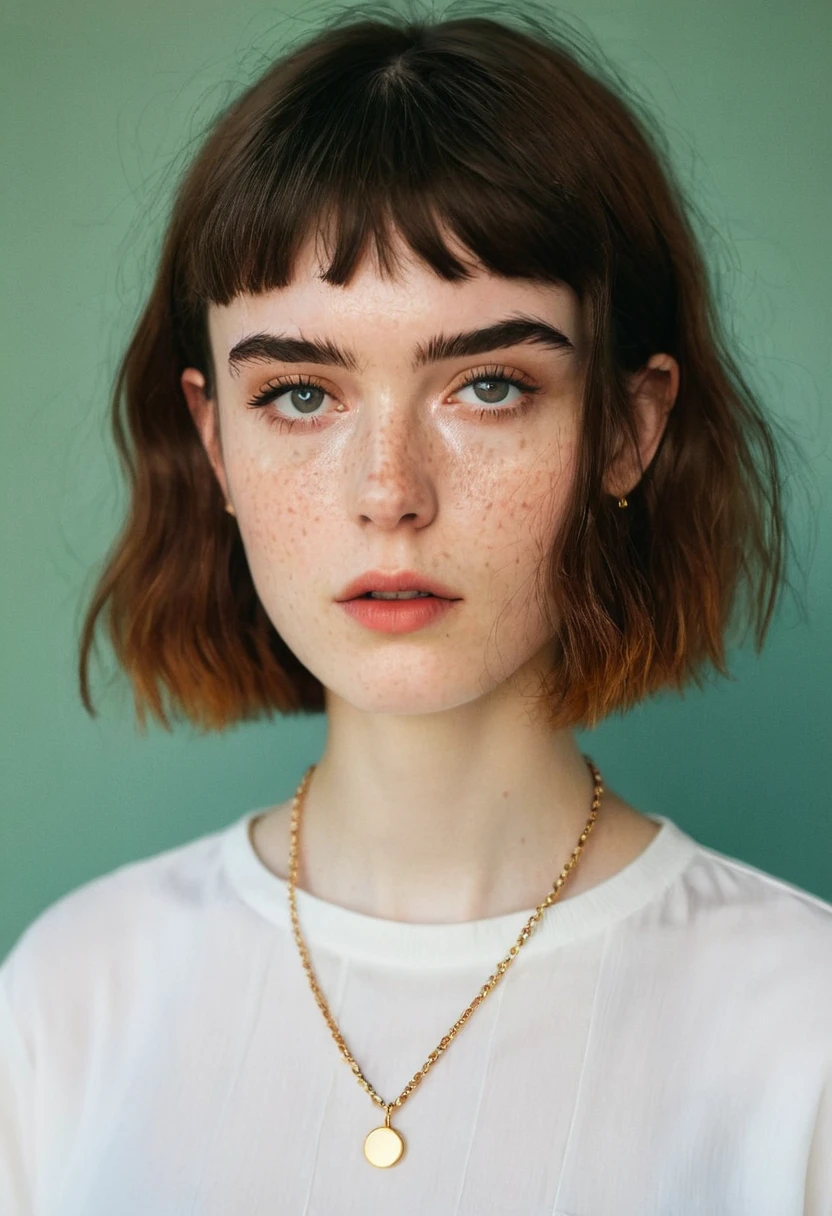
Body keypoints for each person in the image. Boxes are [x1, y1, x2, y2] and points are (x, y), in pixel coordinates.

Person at [1, 4, 829, 1213]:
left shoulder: (802, 1026)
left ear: (627, 428)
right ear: (211, 439)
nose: (389, 492)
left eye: (488, 385)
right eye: (297, 394)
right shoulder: (72, 997)